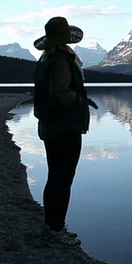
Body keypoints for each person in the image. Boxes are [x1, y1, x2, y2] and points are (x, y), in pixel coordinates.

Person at [32, 16, 98, 249]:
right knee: (62, 179)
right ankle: (55, 230)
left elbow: (60, 91)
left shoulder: (47, 59)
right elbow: (60, 93)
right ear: (65, 38)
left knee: (56, 177)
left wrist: (81, 99)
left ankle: (52, 226)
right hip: (64, 127)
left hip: (52, 125)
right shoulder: (61, 60)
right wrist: (78, 102)